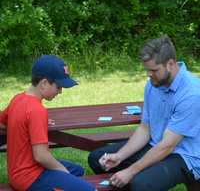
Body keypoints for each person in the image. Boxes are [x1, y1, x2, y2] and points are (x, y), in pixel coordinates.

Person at [88, 35, 200, 191]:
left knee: (141, 184)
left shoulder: (192, 93)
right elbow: (145, 129)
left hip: (185, 155)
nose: (148, 75)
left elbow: (167, 146)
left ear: (170, 64)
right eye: (146, 70)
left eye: (153, 70)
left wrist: (131, 170)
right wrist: (120, 156)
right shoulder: (153, 84)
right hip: (157, 145)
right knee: (97, 159)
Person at [0, 55, 96, 191]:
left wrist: (29, 126)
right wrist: (63, 171)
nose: (60, 92)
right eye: (58, 87)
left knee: (78, 171)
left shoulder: (18, 99)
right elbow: (41, 156)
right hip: (30, 177)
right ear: (44, 83)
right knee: (90, 189)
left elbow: (2, 123)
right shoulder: (37, 110)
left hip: (16, 172)